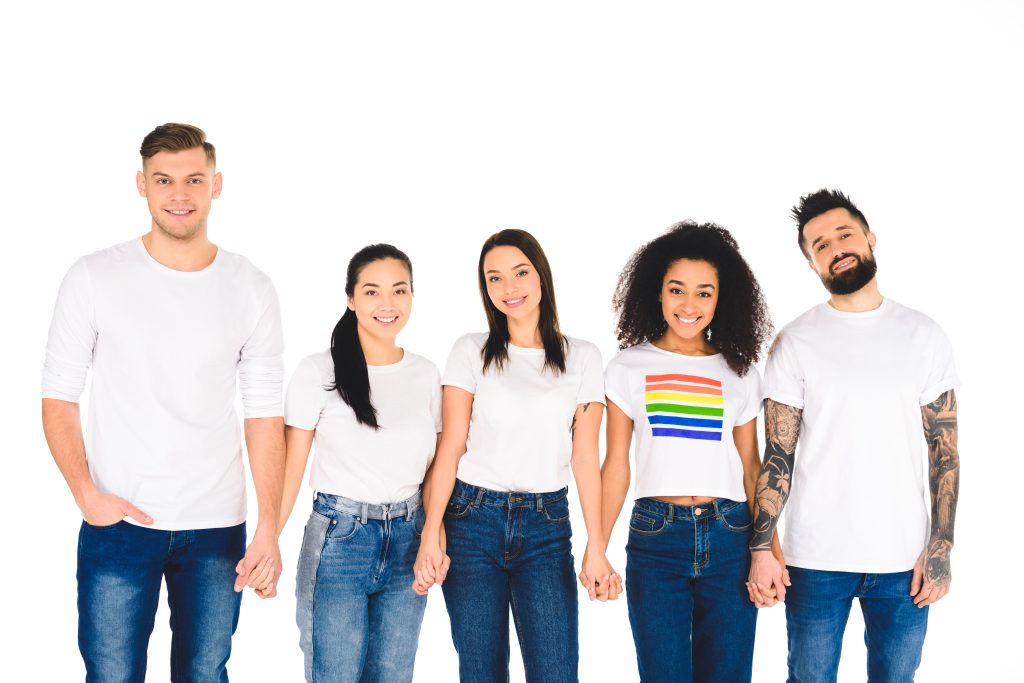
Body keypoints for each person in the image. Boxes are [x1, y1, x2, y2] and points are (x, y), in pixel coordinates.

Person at [41, 123, 285, 682]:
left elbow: (264, 413)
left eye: (194, 179)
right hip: (118, 525)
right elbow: (58, 394)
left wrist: (268, 524)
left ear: (216, 184)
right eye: (164, 180)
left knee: (205, 675)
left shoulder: (251, 287)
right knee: (111, 676)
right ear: (141, 185)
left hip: (218, 527)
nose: (180, 193)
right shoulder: (94, 277)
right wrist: (86, 494)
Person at [747, 189, 961, 682]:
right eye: (819, 244)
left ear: (869, 239)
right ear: (812, 264)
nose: (835, 247)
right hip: (816, 559)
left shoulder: (923, 335)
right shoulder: (795, 341)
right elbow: (777, 453)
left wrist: (941, 548)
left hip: (904, 559)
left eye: (844, 234)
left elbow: (945, 453)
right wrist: (762, 547)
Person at [413, 229, 618, 683]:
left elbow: (586, 459)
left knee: (556, 671)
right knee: (481, 671)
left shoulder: (581, 357)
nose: (509, 288)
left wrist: (597, 545)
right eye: (495, 278)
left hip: (545, 526)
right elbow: (451, 448)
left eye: (520, 273)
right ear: (485, 289)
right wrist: (431, 533)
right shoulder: (471, 351)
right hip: (471, 522)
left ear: (541, 276)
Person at [601, 221, 784, 683]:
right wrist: (596, 548)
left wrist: (770, 550)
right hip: (655, 538)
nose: (689, 305)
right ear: (656, 293)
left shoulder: (739, 372)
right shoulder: (627, 367)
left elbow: (752, 467)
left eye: (704, 293)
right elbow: (615, 464)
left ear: (723, 299)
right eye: (677, 290)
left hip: (730, 533)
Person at [277, 244, 441, 683]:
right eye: (372, 292)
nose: (387, 305)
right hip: (340, 541)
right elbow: (290, 469)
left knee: (393, 676)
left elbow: (437, 471)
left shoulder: (426, 375)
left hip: (409, 539)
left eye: (399, 290)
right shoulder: (317, 372)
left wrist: (433, 534)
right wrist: (267, 540)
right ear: (350, 298)